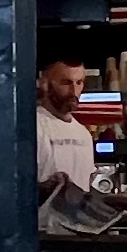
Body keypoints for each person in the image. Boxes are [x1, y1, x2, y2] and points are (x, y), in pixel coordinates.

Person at [36, 58, 100, 193]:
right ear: (44, 84)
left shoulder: (83, 134)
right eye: (66, 83)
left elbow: (86, 186)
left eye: (79, 83)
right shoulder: (33, 126)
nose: (74, 91)